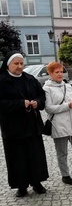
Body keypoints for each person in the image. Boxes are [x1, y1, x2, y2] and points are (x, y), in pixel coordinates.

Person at [0, 51, 49, 197]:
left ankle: (37, 182)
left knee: (35, 156)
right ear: (8, 65)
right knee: (17, 158)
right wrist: (20, 104)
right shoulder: (2, 80)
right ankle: (21, 186)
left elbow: (41, 95)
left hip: (32, 125)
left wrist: (37, 103)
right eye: (16, 64)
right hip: (13, 127)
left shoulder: (30, 79)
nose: (20, 66)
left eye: (21, 63)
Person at [43, 61, 72, 186]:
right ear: (50, 73)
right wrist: (67, 105)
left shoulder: (67, 86)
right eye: (56, 72)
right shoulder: (47, 89)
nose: (59, 74)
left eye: (61, 72)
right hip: (59, 125)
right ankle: (65, 175)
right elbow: (49, 108)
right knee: (62, 152)